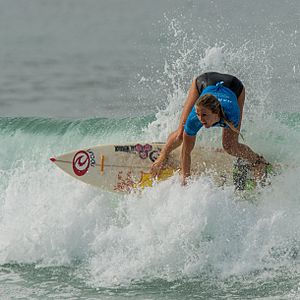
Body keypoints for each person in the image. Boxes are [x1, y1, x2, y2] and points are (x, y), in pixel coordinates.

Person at [151, 71, 269, 185]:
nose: (200, 119)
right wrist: (185, 180)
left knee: (230, 145)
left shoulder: (232, 115)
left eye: (204, 115)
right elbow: (186, 151)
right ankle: (163, 155)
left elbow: (232, 136)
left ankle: (258, 161)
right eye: (198, 114)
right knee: (181, 134)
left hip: (234, 86)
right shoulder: (194, 118)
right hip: (204, 81)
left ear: (216, 113)